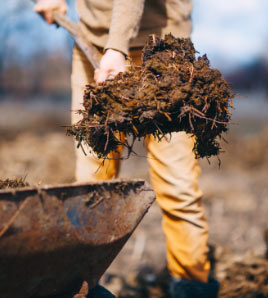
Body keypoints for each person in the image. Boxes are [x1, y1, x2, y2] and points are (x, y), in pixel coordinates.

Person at [34, 0, 220, 297]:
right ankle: (85, 287)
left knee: (178, 187)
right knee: (91, 188)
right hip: (91, 45)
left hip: (161, 50)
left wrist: (117, 47)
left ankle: (191, 285)